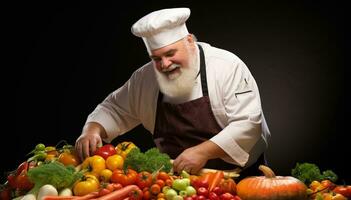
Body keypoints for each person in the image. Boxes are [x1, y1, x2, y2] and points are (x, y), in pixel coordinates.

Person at [75, 7, 271, 176]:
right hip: (178, 181)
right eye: (156, 58)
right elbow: (114, 108)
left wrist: (202, 152)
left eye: (170, 54)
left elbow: (248, 123)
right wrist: (92, 129)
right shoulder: (145, 78)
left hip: (239, 177)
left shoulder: (226, 67)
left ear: (190, 41)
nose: (165, 64)